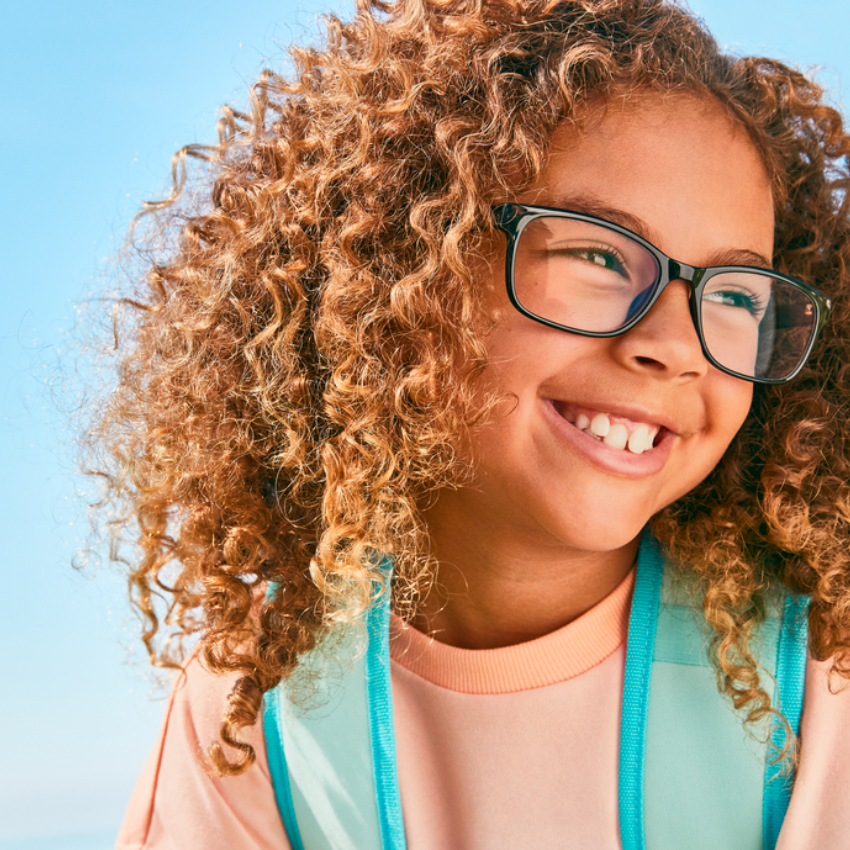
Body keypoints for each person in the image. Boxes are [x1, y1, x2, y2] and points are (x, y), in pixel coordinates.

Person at [96, 0, 850, 847]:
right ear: (408, 270)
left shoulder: (819, 680)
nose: (675, 346)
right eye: (598, 254)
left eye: (740, 297)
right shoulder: (253, 708)